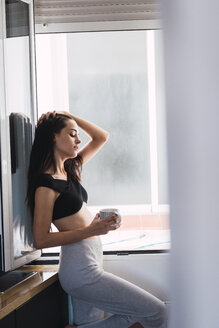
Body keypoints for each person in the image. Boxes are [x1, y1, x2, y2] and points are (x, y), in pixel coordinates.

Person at [27, 111, 167, 328]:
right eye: (72, 134)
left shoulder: (69, 170)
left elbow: (101, 137)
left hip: (90, 261)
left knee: (129, 316)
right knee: (157, 312)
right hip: (80, 271)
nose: (78, 139)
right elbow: (41, 240)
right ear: (53, 137)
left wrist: (68, 115)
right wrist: (92, 230)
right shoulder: (45, 186)